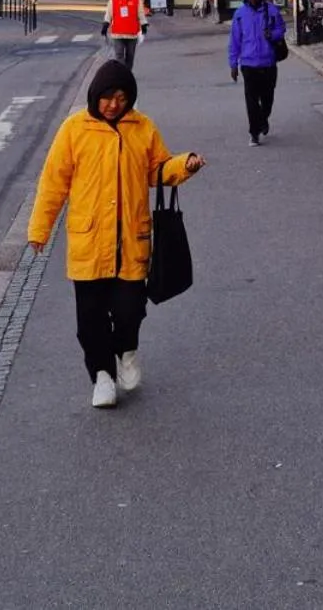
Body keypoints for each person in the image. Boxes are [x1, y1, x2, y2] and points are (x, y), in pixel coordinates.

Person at [28, 59, 204, 408]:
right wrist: (39, 230)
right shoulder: (74, 129)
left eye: (121, 98)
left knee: (130, 310)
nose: (113, 105)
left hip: (131, 239)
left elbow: (157, 170)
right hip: (89, 241)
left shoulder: (142, 127)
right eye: (108, 97)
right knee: (89, 319)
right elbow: (53, 183)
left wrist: (184, 165)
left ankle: (126, 351)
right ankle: (102, 377)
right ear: (96, 95)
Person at [228, 0, 285, 146]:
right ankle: (254, 133)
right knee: (251, 101)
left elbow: (281, 29)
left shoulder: (271, 11)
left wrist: (272, 35)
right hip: (248, 64)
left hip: (268, 63)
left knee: (267, 100)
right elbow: (235, 41)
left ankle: (263, 119)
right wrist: (233, 64)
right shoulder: (240, 15)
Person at [103, 0, 143, 69]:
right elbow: (109, 13)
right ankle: (122, 73)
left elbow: (140, 13)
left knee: (130, 56)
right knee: (119, 55)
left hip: (132, 33)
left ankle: (127, 73)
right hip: (118, 33)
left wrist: (144, 25)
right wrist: (105, 24)